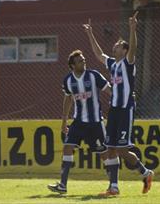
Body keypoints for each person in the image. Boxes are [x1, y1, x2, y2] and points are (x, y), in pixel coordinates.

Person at [83, 11, 154, 195]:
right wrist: (90, 33)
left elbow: (134, 48)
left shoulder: (128, 63)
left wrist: (132, 28)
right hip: (114, 110)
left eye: (117, 46)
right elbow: (99, 54)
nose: (114, 48)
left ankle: (145, 173)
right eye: (114, 46)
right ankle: (113, 187)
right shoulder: (112, 64)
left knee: (122, 149)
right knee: (111, 148)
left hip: (126, 110)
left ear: (124, 50)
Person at [47, 50, 120, 195]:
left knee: (104, 153)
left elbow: (110, 90)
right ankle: (62, 185)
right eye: (80, 61)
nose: (84, 61)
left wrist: (122, 96)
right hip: (78, 122)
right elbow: (68, 99)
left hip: (95, 123)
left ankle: (113, 185)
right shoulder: (68, 80)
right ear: (73, 65)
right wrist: (63, 122)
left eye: (84, 59)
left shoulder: (94, 75)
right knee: (67, 147)